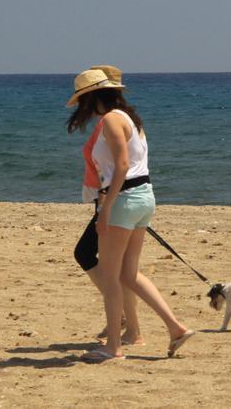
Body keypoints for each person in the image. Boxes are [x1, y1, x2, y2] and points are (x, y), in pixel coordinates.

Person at [66, 68, 194, 362]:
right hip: (143, 196)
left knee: (111, 278)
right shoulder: (130, 119)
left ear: (91, 97)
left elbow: (122, 166)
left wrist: (106, 208)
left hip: (124, 199)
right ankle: (176, 328)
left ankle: (114, 347)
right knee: (128, 274)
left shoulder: (111, 119)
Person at [71, 65, 142, 345]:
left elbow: (124, 165)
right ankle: (131, 326)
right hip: (115, 196)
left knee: (99, 260)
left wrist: (109, 202)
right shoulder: (123, 119)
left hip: (117, 198)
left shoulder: (113, 121)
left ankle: (130, 324)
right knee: (116, 265)